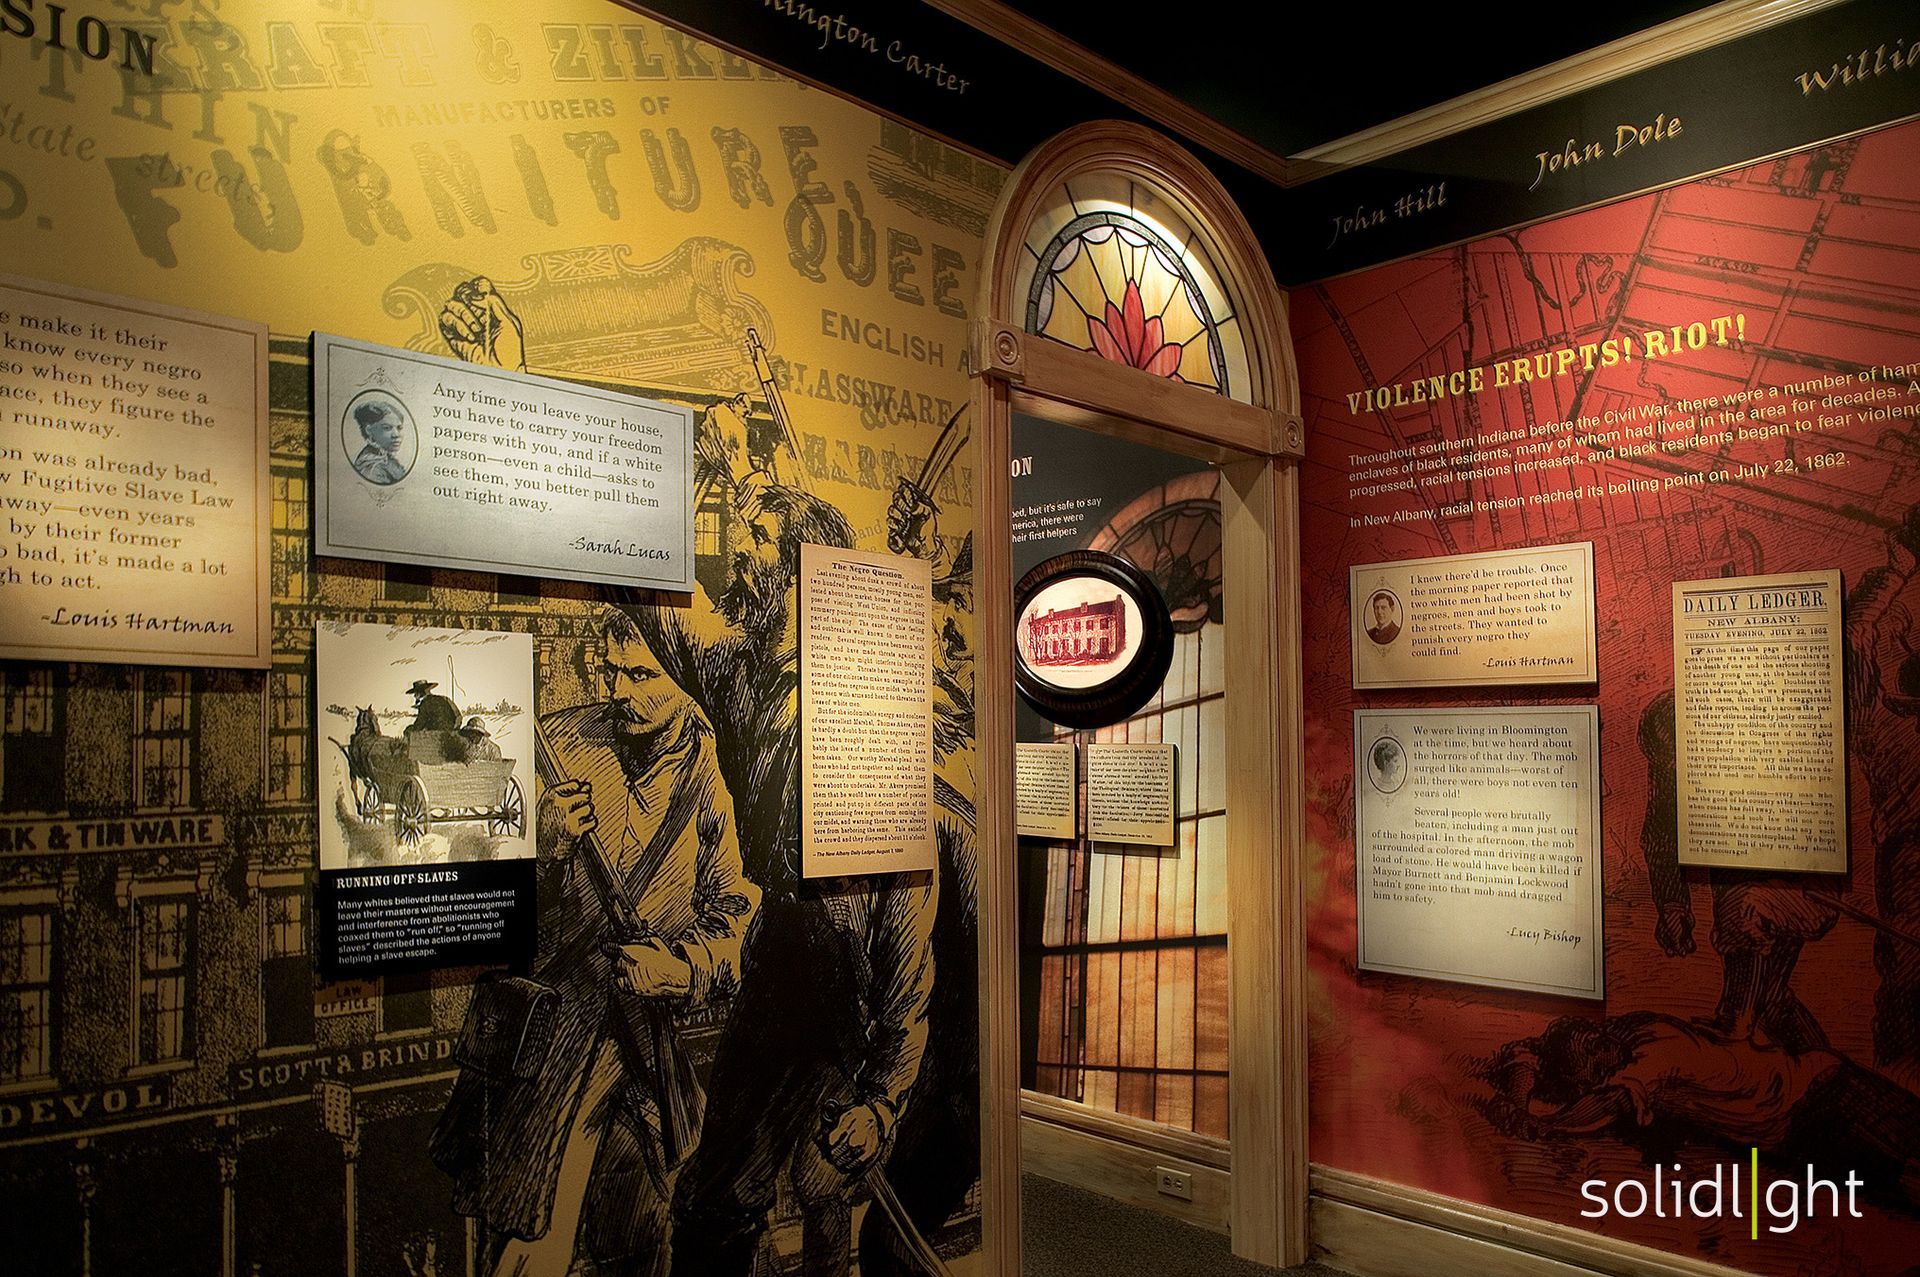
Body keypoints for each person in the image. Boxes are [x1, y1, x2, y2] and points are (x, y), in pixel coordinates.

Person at [630, 396, 941, 1277]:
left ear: (804, 569)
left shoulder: (870, 696)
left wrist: (883, 1094)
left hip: (841, 990)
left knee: (810, 1193)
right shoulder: (742, 677)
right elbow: (662, 608)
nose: (742, 553)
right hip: (777, 963)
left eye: (762, 539)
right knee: (714, 1200)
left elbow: (906, 913)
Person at [430, 609, 758, 1277]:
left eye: (642, 674)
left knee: (637, 1244)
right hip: (550, 1046)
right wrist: (537, 842)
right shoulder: (556, 742)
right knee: (528, 1253)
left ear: (687, 680)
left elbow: (735, 909)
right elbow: (462, 881)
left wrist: (683, 968)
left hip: (642, 1053)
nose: (619, 690)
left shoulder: (702, 767)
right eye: (611, 670)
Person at [351, 398, 411, 485]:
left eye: (399, 428)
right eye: (387, 428)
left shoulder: (386, 459)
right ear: (369, 430)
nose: (396, 434)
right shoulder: (371, 469)